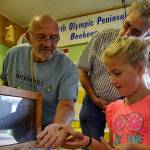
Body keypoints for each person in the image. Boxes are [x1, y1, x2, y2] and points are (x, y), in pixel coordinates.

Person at [41, 37, 150, 150]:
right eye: (109, 75)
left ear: (140, 68)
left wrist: (134, 147)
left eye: (117, 73)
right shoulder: (113, 109)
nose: (112, 81)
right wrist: (87, 141)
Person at [77, 0, 150, 147]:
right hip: (95, 104)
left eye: (136, 31)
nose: (127, 33)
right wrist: (94, 97)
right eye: (127, 24)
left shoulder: (145, 52)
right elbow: (82, 69)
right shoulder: (102, 37)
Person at [0, 14, 78, 142]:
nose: (48, 44)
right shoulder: (12, 55)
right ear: (28, 37)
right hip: (20, 120)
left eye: (53, 38)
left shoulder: (68, 67)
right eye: (41, 37)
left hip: (48, 126)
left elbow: (66, 105)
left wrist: (59, 126)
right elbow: (6, 87)